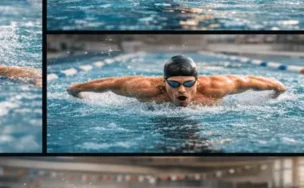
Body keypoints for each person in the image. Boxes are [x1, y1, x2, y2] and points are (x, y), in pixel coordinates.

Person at [66, 55, 286, 107]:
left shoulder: (217, 86)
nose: (182, 89)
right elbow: (111, 82)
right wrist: (78, 89)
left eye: (188, 84)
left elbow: (249, 80)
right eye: (174, 84)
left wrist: (277, 87)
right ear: (164, 83)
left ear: (197, 83)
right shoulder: (146, 88)